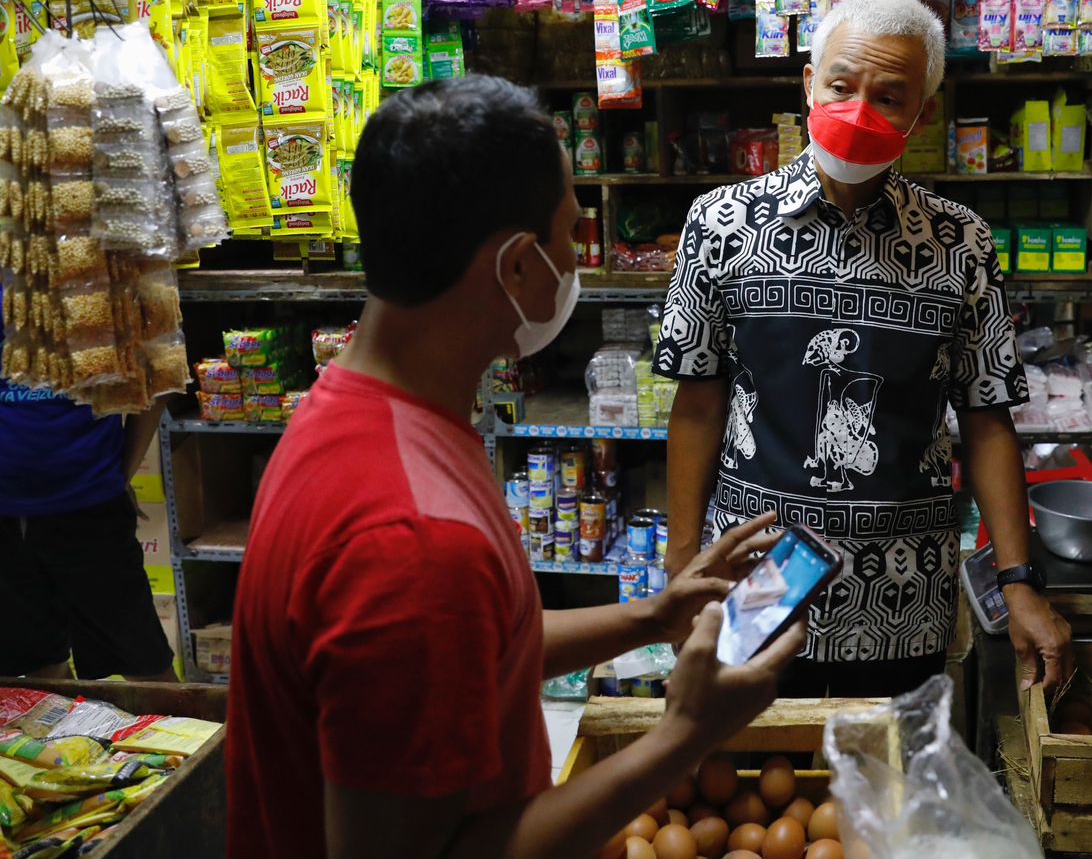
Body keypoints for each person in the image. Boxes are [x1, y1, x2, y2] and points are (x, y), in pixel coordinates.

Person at [227, 75, 803, 859]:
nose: (576, 256)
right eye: (570, 234)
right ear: (519, 268)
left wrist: (650, 617)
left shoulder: (352, 408)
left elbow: (466, 653)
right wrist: (683, 737)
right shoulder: (413, 540)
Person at [656, 0, 1074, 699]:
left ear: (923, 113)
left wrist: (1018, 583)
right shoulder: (722, 224)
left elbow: (986, 420)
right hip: (755, 582)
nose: (858, 111)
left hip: (902, 597)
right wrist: (681, 568)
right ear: (808, 84)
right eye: (841, 86)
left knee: (891, 789)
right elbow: (698, 404)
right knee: (753, 778)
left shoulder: (959, 243)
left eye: (888, 96)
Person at [0, 370, 172, 681]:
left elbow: (159, 372)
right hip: (6, 522)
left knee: (146, 669)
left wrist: (122, 473)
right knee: (36, 672)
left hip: (89, 504)